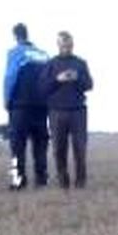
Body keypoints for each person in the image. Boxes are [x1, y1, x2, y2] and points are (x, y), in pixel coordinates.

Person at [39, 31, 94, 189]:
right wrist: (58, 79)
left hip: (78, 111)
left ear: (73, 44)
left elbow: (89, 85)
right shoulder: (50, 64)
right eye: (63, 45)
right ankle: (63, 183)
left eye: (69, 45)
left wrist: (77, 78)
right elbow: (42, 88)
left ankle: (80, 183)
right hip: (56, 112)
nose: (67, 47)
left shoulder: (80, 63)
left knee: (80, 149)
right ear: (58, 45)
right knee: (59, 150)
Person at [3, 23, 51, 189]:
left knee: (17, 145)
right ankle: (42, 179)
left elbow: (10, 77)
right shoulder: (44, 54)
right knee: (40, 144)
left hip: (20, 105)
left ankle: (18, 181)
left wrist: (6, 99)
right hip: (41, 106)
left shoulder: (15, 52)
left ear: (15, 36)